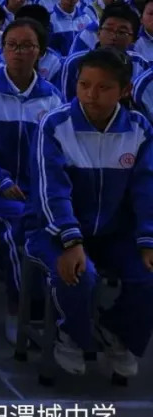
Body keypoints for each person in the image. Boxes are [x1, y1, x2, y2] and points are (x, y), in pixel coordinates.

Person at [26, 48, 153, 379]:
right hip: (55, 231)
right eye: (84, 85)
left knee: (148, 275)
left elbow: (146, 189)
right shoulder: (55, 125)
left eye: (103, 88)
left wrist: (148, 238)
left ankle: (117, 332)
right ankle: (72, 334)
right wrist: (70, 240)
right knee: (80, 275)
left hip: (115, 232)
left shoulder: (139, 129)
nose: (91, 95)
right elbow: (51, 190)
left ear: (124, 91)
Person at [0, 18, 63, 343]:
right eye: (12, 46)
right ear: (1, 50)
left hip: (34, 190)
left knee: (61, 227)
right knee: (17, 227)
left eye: (27, 46)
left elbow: (58, 154)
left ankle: (60, 308)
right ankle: (21, 308)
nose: (19, 52)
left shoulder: (52, 99)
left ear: (41, 53)